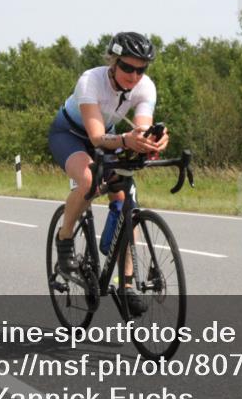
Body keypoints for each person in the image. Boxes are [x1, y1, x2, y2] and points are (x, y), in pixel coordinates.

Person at [47, 32, 169, 315]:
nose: (134, 75)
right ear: (113, 62)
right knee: (89, 180)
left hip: (110, 136)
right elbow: (97, 137)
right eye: (127, 67)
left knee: (126, 199)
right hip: (72, 135)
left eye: (141, 69)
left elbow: (140, 128)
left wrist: (152, 140)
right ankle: (65, 239)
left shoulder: (145, 87)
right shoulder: (91, 80)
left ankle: (126, 284)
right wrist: (128, 140)